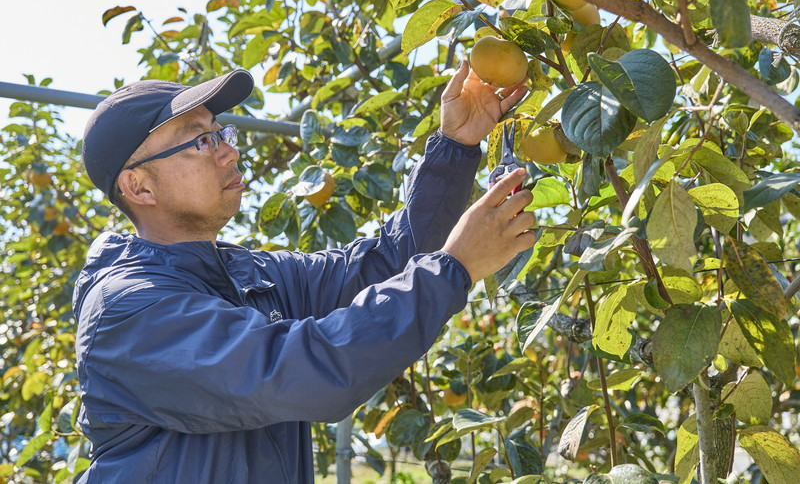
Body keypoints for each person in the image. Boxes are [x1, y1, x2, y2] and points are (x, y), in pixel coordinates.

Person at [73, 63, 534, 483]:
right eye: (200, 140)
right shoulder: (128, 309)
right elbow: (302, 370)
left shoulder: (253, 275)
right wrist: (453, 270)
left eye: (222, 133)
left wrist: (454, 147)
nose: (229, 153)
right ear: (139, 186)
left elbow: (385, 264)